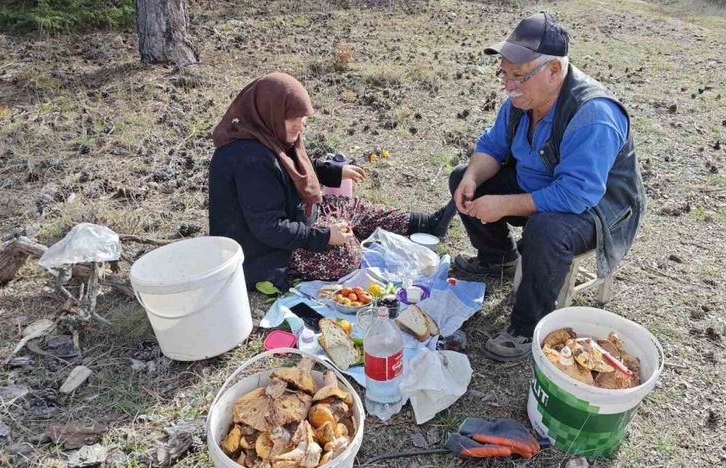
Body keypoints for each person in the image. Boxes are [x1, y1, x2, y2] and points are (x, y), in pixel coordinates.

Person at [449, 12, 646, 361]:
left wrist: (503, 205)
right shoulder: (521, 100)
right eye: (504, 74)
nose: (509, 85)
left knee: (546, 229)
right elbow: (492, 146)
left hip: (596, 209)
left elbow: (575, 194)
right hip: (541, 183)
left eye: (519, 76)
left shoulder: (593, 115)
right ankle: (498, 259)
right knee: (462, 177)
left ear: (554, 70)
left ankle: (528, 327)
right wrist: (472, 177)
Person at [209, 72, 454, 290]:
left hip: (297, 217)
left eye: (302, 120)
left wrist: (335, 172)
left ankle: (428, 225)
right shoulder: (250, 161)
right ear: (270, 111)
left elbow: (292, 170)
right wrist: (324, 237)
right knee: (345, 256)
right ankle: (340, 234)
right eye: (293, 120)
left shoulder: (268, 133)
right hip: (264, 252)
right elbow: (269, 228)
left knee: (354, 207)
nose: (299, 127)